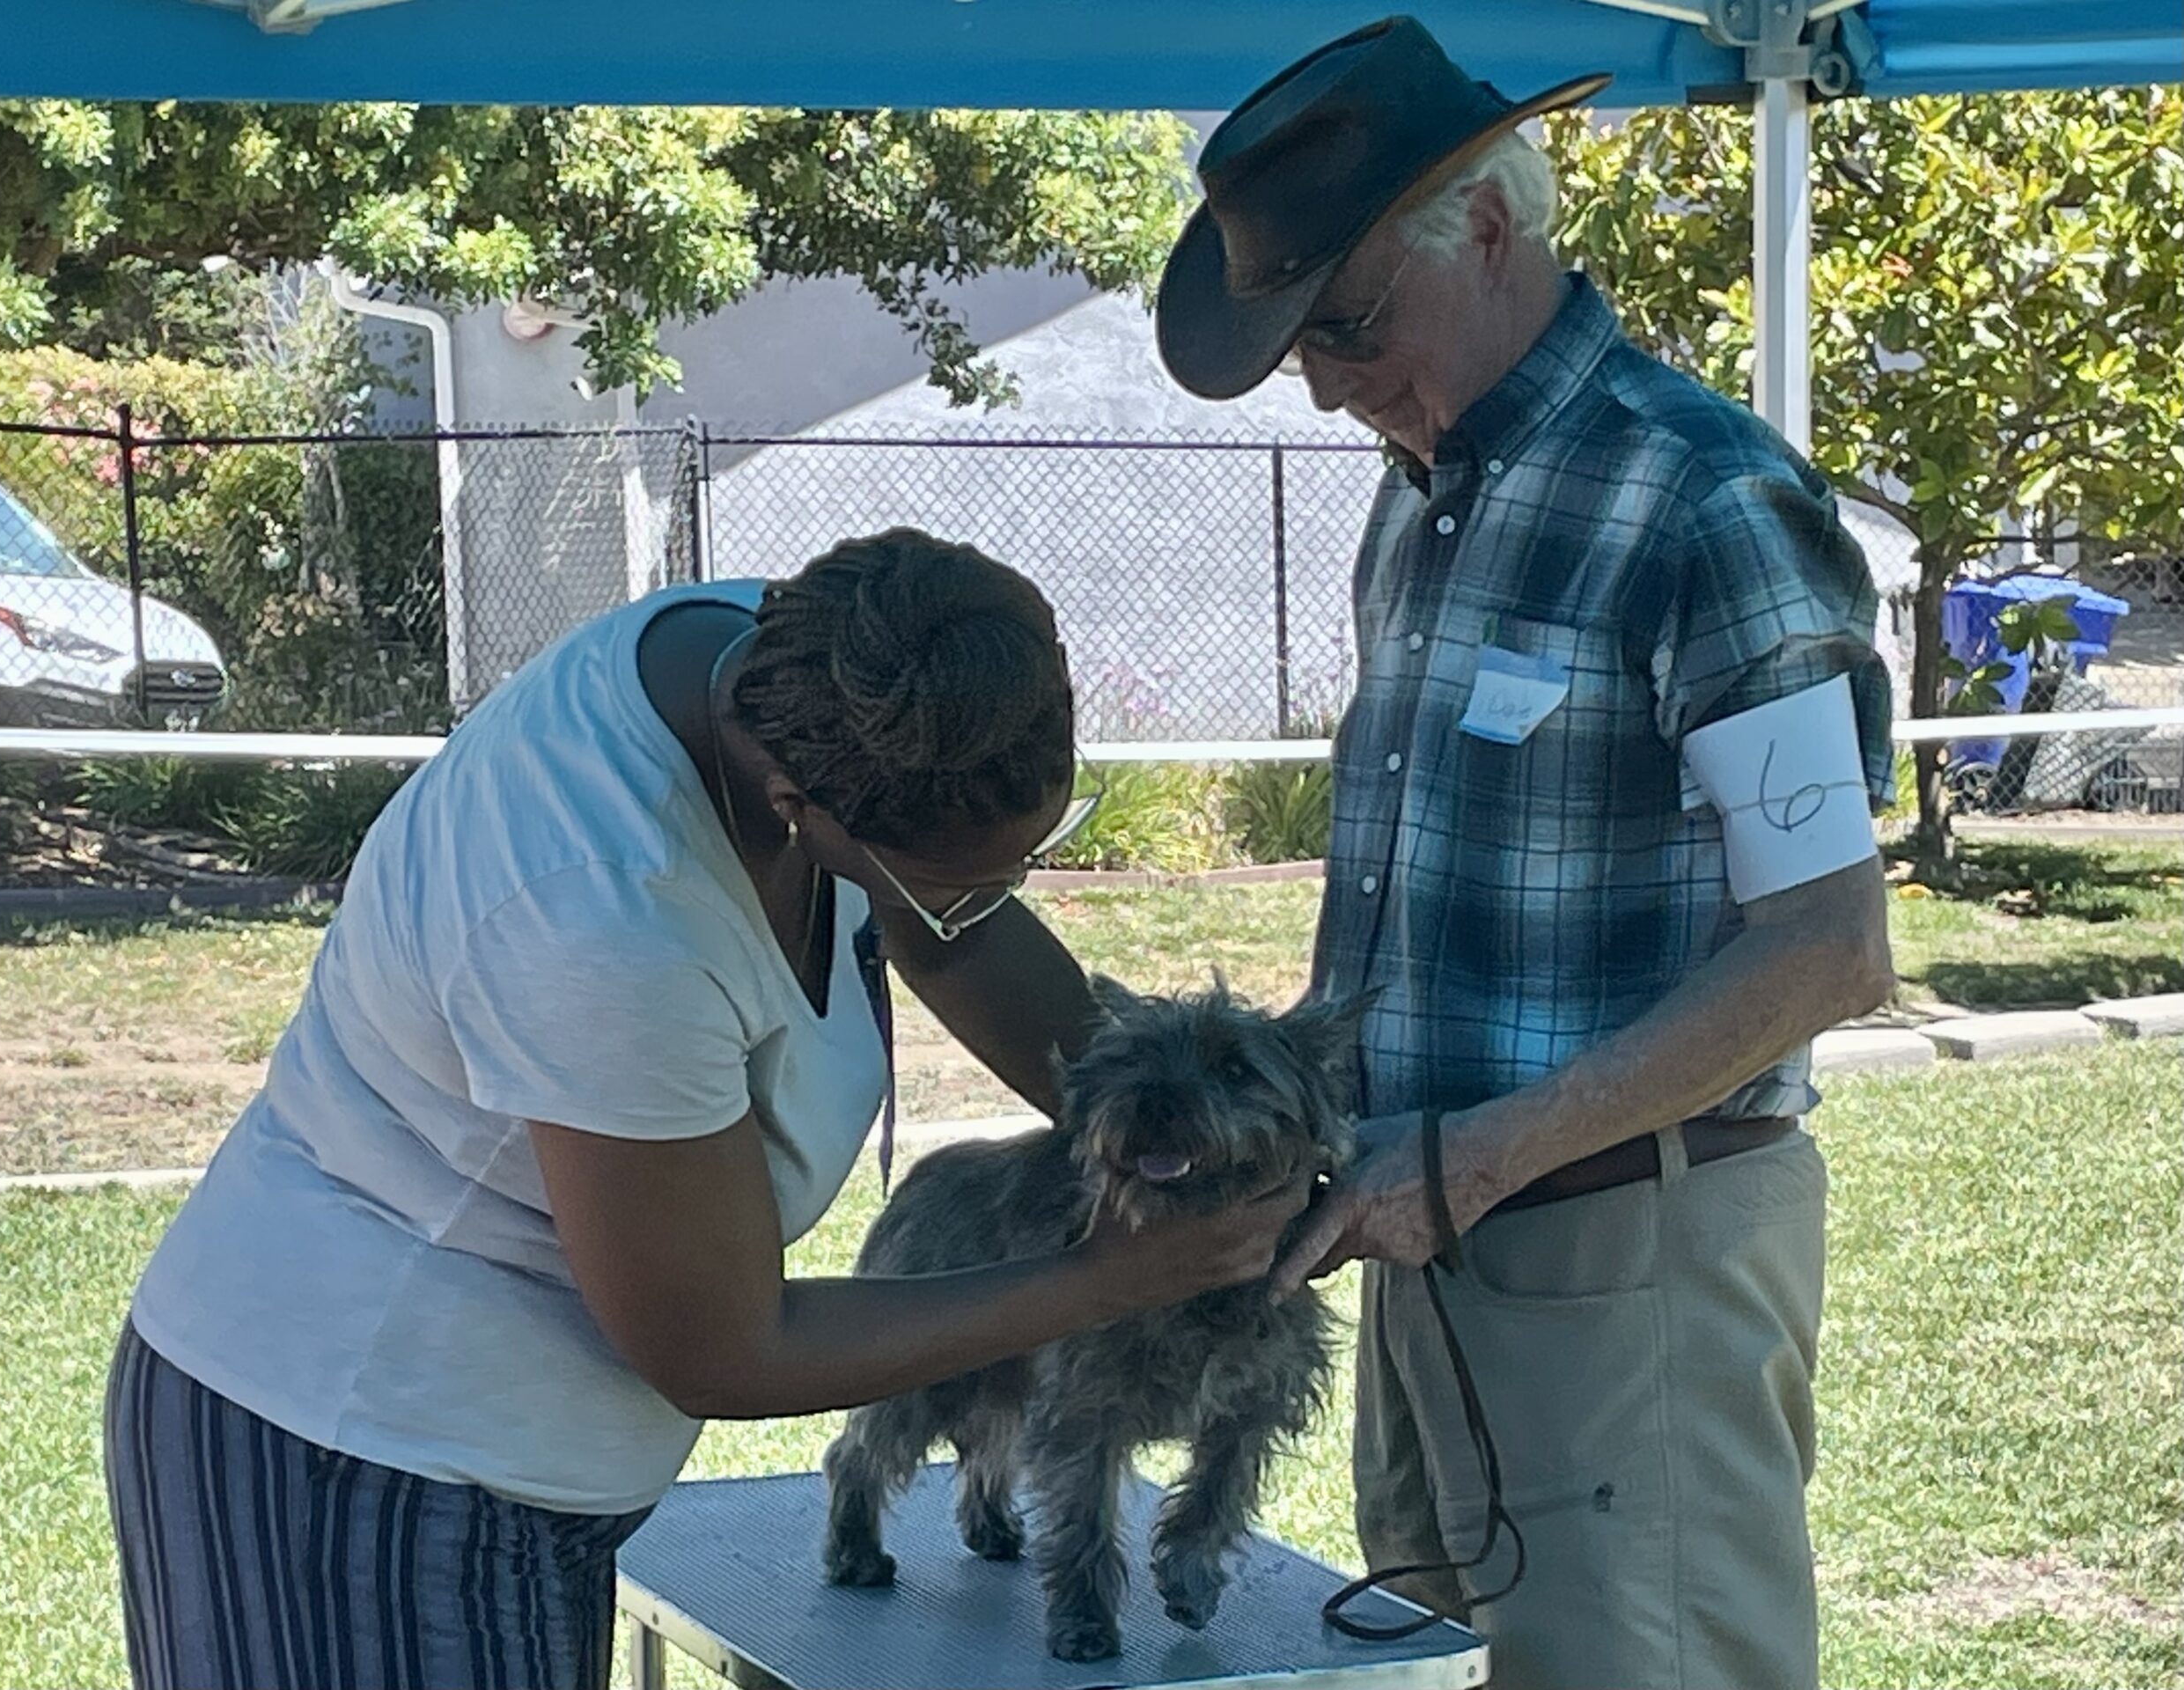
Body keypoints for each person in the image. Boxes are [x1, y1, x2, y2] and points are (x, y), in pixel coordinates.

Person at [103, 529, 1311, 1690]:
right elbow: (721, 1346)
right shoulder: (604, 913)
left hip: (535, 1455)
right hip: (361, 1452)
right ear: (801, 807)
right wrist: (1111, 1277)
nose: (990, 899)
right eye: (957, 881)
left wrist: (1189, 1149)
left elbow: (954, 934)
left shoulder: (830, 669)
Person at [1156, 18, 1896, 1690]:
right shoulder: (1420, 489)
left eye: (1348, 324)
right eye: (1297, 345)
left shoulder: (1706, 499)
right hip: (1431, 1237)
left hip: (1624, 1246)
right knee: (1427, 1668)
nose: (1326, 385)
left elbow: (1829, 948)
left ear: (1488, 225)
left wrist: (1474, 1160)